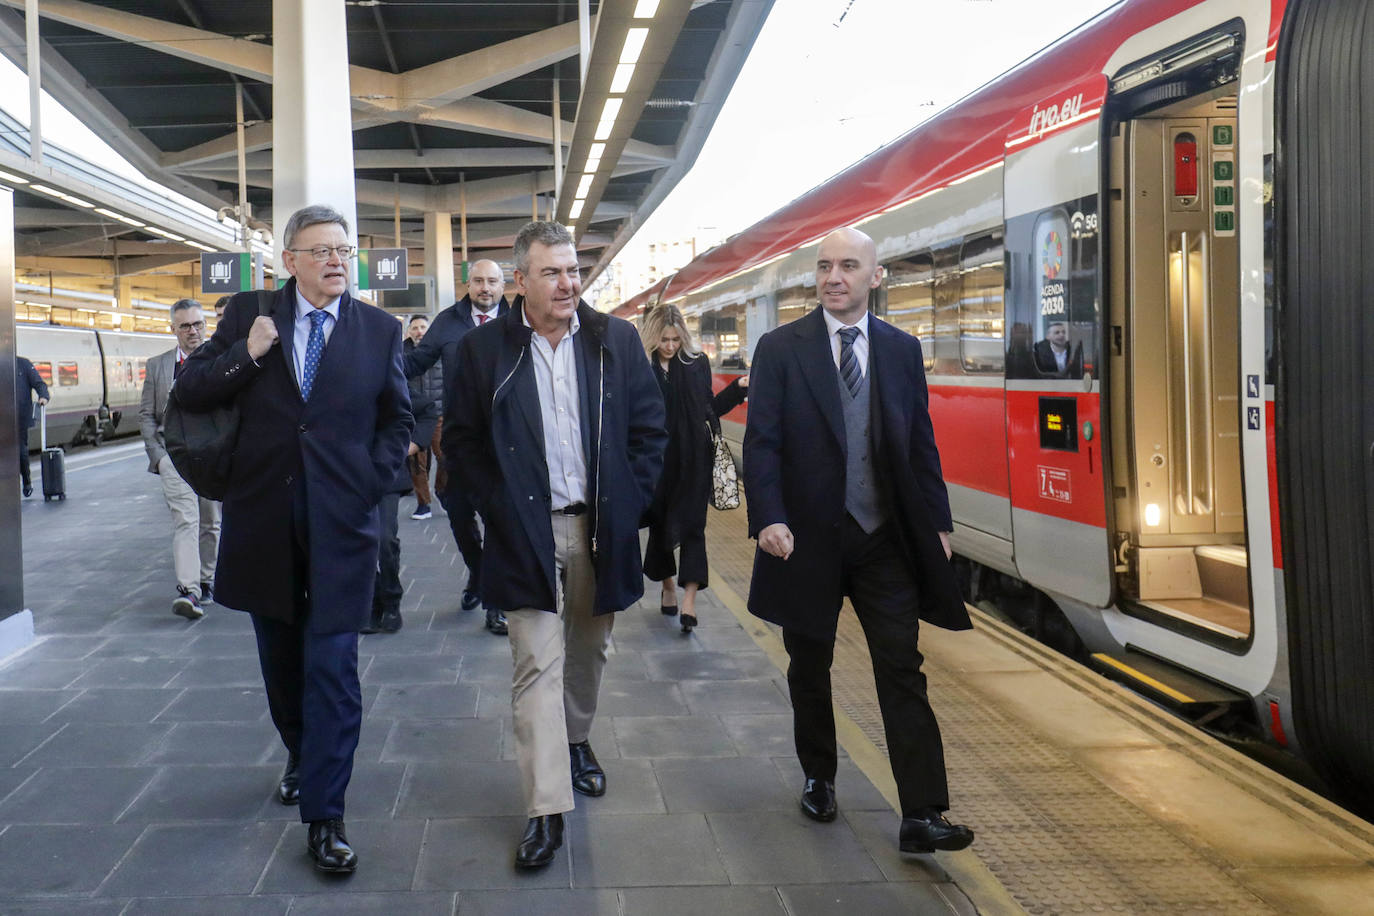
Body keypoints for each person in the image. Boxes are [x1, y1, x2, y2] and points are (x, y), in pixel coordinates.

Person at [175, 204, 412, 875]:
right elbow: (191, 390)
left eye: (345, 249)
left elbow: (397, 418)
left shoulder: (379, 330)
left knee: (333, 669)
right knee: (283, 669)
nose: (338, 260)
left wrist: (373, 480)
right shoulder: (251, 313)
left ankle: (326, 814)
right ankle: (300, 752)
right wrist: (248, 355)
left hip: (343, 527)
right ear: (290, 261)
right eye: (321, 251)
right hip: (264, 526)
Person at [742, 226, 975, 856]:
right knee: (809, 666)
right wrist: (767, 517)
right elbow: (761, 441)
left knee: (902, 666)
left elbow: (919, 443)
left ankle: (921, 811)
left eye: (848, 266)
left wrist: (938, 524)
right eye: (824, 267)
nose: (833, 277)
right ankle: (820, 775)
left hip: (885, 539)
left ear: (876, 276)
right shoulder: (780, 348)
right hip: (804, 539)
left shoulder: (901, 349)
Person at [447, 220, 665, 870]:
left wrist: (628, 505)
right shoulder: (482, 352)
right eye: (553, 272)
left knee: (589, 652)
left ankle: (575, 740)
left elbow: (650, 433)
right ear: (521, 281)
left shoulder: (613, 341)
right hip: (526, 534)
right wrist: (500, 506)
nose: (569, 282)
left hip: (600, 529)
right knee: (535, 665)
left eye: (573, 270)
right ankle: (547, 808)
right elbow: (460, 444)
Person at [405, 258, 511, 634]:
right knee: (458, 512)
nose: (485, 287)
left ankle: (496, 603)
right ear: (468, 283)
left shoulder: (519, 322)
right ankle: (479, 574)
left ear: (504, 285)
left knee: (499, 520)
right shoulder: (447, 323)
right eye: (479, 280)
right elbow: (416, 362)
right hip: (459, 440)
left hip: (506, 441)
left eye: (493, 281)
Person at [639, 304, 747, 633]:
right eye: (664, 340)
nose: (670, 346)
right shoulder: (643, 367)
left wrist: (737, 390)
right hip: (657, 462)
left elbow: (709, 410)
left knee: (693, 528)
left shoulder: (695, 363)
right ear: (654, 337)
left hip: (693, 459)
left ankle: (689, 601)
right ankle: (668, 585)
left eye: (675, 339)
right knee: (660, 526)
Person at [138, 298, 222, 620]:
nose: (193, 331)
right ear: (172, 329)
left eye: (198, 324)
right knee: (186, 519)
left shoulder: (220, 361)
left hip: (211, 455)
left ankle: (207, 578)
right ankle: (190, 590)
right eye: (185, 325)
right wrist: (157, 456)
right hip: (173, 455)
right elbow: (146, 414)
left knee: (211, 523)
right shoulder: (158, 365)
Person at [366, 375, 439, 634]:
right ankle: (372, 601)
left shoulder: (383, 368)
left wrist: (414, 444)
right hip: (346, 471)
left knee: (385, 538)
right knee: (357, 541)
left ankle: (391, 600)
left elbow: (427, 409)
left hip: (385, 470)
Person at [403, 314, 441, 520]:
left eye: (423, 327)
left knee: (445, 458)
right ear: (409, 331)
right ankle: (423, 504)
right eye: (415, 328)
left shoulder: (439, 351)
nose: (419, 331)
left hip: (441, 412)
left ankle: (442, 490)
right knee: (417, 463)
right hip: (414, 415)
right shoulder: (400, 353)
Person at [14, 356, 49, 498]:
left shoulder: (23, 364)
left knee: (21, 451)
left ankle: (27, 481)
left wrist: (43, 396)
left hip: (20, 417)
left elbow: (39, 384)